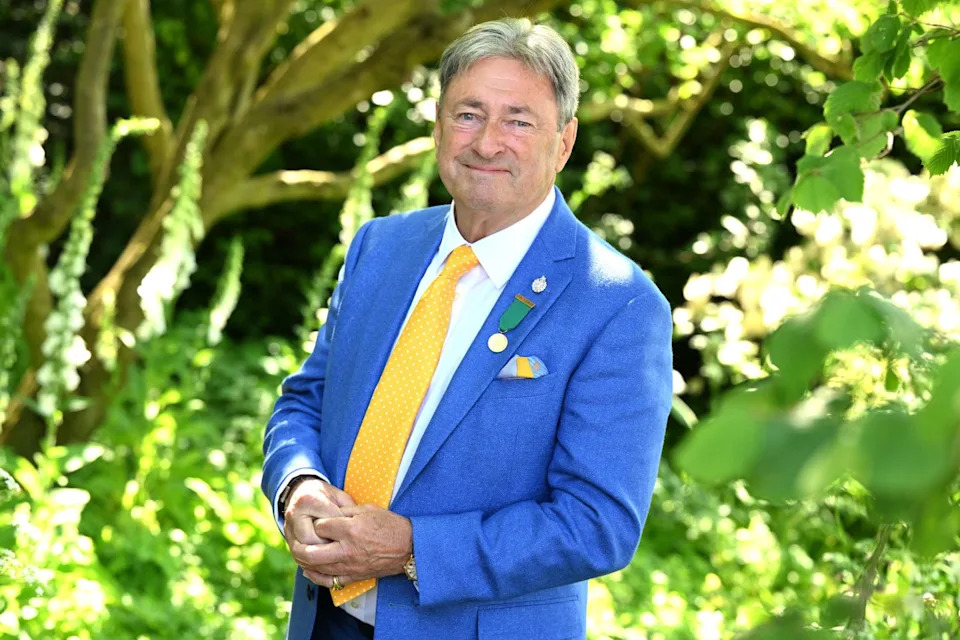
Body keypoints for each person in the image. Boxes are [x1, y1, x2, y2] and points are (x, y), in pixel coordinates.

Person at [261, 17, 673, 640]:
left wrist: (410, 548)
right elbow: (306, 400)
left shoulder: (616, 303)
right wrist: (298, 486)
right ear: (437, 127)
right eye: (468, 114)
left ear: (563, 142)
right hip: (325, 623)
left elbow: (597, 524)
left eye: (518, 120)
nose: (487, 142)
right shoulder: (381, 246)